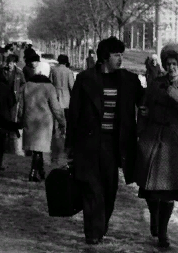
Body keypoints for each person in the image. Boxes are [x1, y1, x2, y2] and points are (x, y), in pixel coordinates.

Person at [65, 36, 144, 245]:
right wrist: (70, 146)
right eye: (116, 55)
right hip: (88, 144)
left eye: (121, 55)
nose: (120, 59)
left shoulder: (129, 80)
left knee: (109, 190)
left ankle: (101, 226)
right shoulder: (85, 79)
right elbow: (74, 114)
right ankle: (92, 232)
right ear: (104, 57)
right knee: (92, 190)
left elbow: (146, 102)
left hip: (114, 145)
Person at [135, 43, 178, 248]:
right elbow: (144, 106)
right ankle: (154, 216)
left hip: (175, 145)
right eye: (168, 63)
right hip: (153, 139)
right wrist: (142, 125)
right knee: (150, 189)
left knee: (169, 192)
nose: (171, 67)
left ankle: (163, 233)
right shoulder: (156, 84)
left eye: (174, 64)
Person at [16, 60, 66, 182]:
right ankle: (34, 172)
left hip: (29, 119)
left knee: (35, 149)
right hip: (44, 122)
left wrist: (20, 119)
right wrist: (62, 121)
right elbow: (55, 107)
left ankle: (40, 170)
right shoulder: (49, 87)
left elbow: (21, 106)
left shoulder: (26, 86)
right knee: (39, 149)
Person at [49, 54, 76, 164]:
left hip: (55, 95)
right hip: (66, 97)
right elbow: (72, 85)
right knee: (65, 116)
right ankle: (64, 132)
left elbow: (50, 83)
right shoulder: (68, 72)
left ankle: (55, 133)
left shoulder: (53, 70)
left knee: (55, 114)